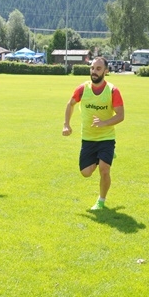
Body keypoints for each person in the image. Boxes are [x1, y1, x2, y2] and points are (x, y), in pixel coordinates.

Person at [62, 57, 125, 211]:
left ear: (106, 71)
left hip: (106, 137)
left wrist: (104, 123)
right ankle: (103, 157)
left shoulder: (113, 91)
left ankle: (101, 201)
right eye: (92, 68)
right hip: (88, 138)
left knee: (104, 170)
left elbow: (120, 115)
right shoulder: (82, 89)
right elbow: (70, 104)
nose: (94, 72)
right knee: (86, 172)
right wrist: (66, 124)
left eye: (98, 69)